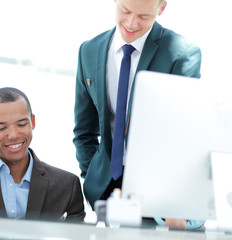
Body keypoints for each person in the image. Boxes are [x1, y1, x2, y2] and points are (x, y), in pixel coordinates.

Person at [73, 0, 203, 229]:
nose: (132, 23)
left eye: (143, 16)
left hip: (157, 196)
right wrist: (92, 176)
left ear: (161, 9)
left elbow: (184, 139)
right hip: (105, 193)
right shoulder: (89, 50)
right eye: (125, 11)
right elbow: (84, 130)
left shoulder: (181, 55)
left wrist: (173, 207)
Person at [0, 87, 85, 222]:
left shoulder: (67, 186)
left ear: (33, 122)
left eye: (22, 124)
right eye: (1, 128)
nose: (13, 135)